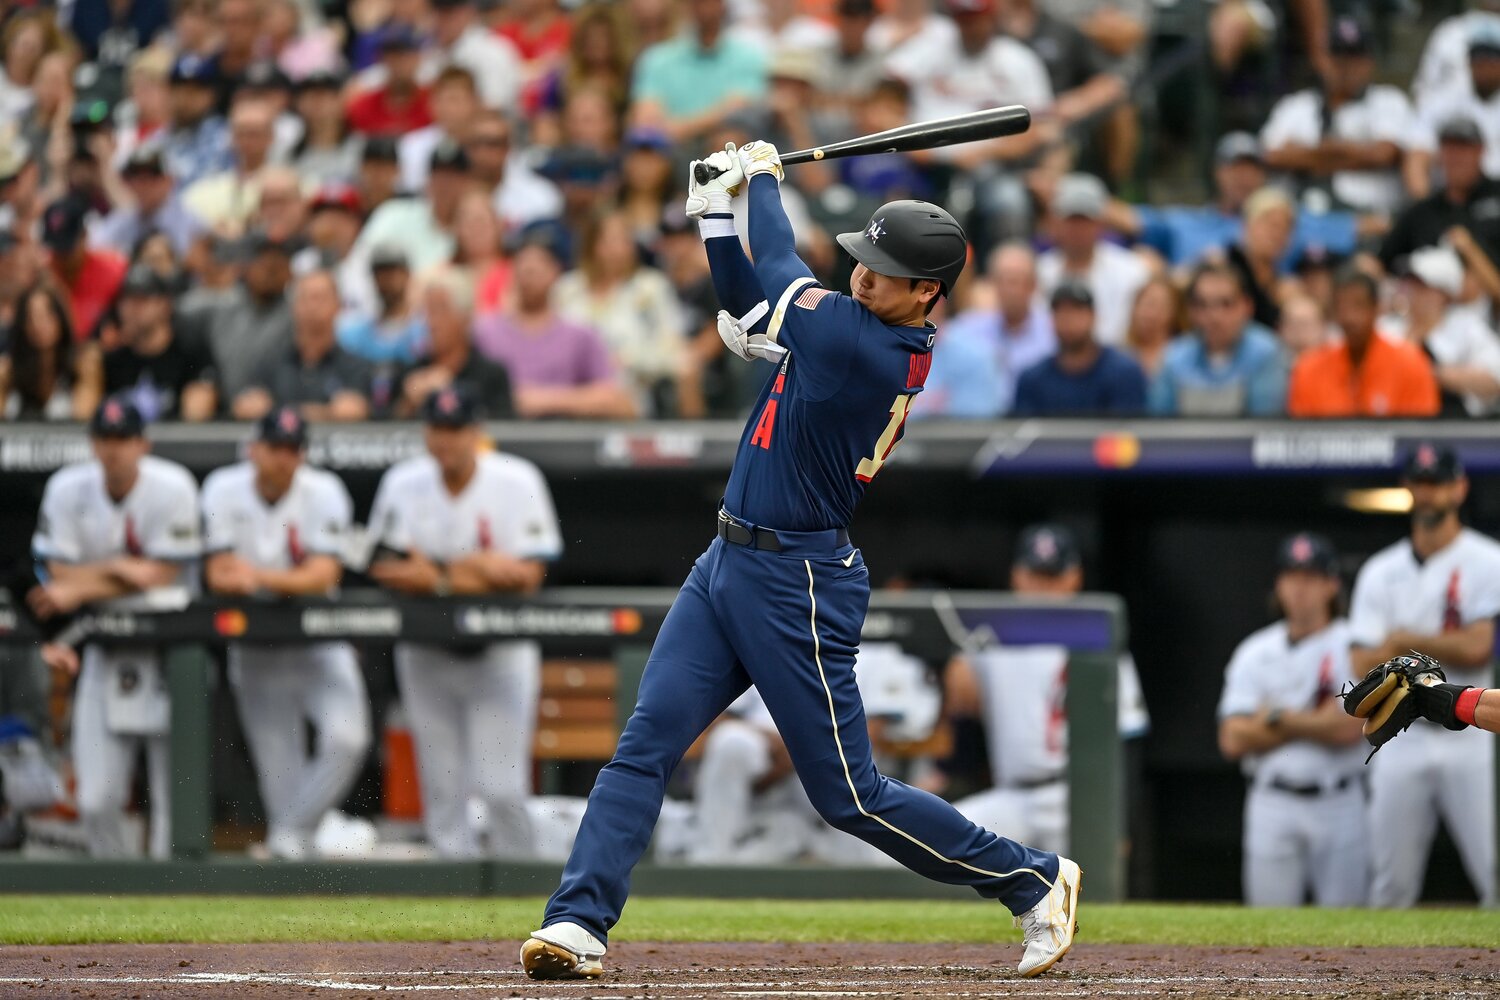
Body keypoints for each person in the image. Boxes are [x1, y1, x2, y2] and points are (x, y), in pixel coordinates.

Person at [521, 141, 1080, 982]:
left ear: (927, 292)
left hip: (798, 581)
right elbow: (752, 304)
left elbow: (778, 269)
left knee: (849, 796)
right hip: (728, 559)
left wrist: (763, 187)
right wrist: (718, 212)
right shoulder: (846, 328)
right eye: (862, 259)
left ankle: (1032, 878)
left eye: (884, 270)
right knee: (645, 744)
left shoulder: (870, 348)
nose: (863, 275)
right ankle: (577, 923)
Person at [367, 384, 563, 858]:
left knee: (502, 789)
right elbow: (383, 565)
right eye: (438, 429)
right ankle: (452, 910)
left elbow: (527, 574)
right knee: (442, 793)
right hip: (426, 653)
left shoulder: (517, 479)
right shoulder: (402, 481)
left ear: (476, 433)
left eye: (456, 430)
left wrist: (433, 571)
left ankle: (522, 888)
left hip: (499, 654)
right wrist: (475, 568)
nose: (447, 441)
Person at [27, 397, 200, 857]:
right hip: (105, 647)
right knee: (95, 798)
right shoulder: (68, 487)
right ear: (93, 444)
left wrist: (85, 588)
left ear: (143, 443)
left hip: (172, 652)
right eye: (105, 439)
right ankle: (113, 896)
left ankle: (179, 903)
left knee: (174, 804)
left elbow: (161, 574)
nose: (114, 450)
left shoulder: (173, 485)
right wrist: (122, 570)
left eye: (123, 439)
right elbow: (56, 575)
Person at [200, 407, 371, 860]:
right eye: (274, 448)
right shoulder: (223, 486)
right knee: (282, 783)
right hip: (258, 651)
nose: (282, 458)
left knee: (348, 739)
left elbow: (324, 573)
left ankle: (288, 836)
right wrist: (282, 578)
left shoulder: (324, 490)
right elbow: (218, 572)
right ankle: (297, 865)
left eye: (292, 450)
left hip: (319, 644)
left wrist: (257, 578)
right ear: (253, 449)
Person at [1348, 442, 1500, 907]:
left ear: (1460, 488)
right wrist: (1417, 649)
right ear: (1408, 487)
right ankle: (1384, 982)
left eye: (1438, 482)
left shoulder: (1487, 558)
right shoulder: (1380, 570)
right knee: (1391, 882)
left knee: (1492, 869)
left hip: (1472, 733)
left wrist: (1402, 644)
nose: (1429, 492)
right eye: (1421, 482)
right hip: (1405, 732)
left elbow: (1478, 645)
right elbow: (1360, 667)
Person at [945, 524, 1150, 856]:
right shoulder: (991, 636)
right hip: (1010, 795)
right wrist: (957, 668)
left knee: (1086, 896)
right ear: (1016, 576)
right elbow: (960, 700)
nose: (1042, 587)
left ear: (1074, 578)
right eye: (1035, 575)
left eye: (1052, 577)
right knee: (944, 845)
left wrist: (1121, 821)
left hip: (1073, 797)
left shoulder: (1097, 639)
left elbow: (1127, 740)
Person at [1217, 532, 1366, 907]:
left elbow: (1351, 728)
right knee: (1267, 930)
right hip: (1272, 799)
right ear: (1279, 585)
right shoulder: (1255, 650)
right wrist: (1315, 722)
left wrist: (1277, 719)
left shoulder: (1355, 645)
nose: (1299, 589)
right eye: (1291, 577)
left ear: (1332, 584)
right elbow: (1232, 739)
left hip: (1339, 798)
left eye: (1311, 578)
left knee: (1349, 933)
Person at [1259, 17, 1426, 215]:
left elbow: (1385, 154)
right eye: (1338, 57)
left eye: (1355, 58)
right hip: (1301, 216)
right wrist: (1356, 153)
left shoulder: (1388, 100)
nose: (1346, 67)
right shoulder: (1296, 105)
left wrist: (1310, 154)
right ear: (1323, 60)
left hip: (1368, 215)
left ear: (1369, 62)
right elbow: (1271, 155)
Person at [473, 231, 638, 419]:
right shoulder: (485, 331)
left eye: (537, 267)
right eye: (523, 266)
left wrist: (539, 400)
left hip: (566, 439)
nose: (529, 273)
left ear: (556, 272)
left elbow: (616, 400)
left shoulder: (581, 334)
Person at [553, 210, 692, 416]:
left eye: (625, 240)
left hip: (634, 391)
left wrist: (627, 360)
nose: (618, 249)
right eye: (608, 241)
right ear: (591, 245)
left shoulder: (651, 289)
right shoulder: (566, 290)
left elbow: (674, 351)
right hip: (571, 390)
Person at [1288, 269, 1440, 418]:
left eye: (1359, 305)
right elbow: (1301, 434)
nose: (1350, 317)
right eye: (1342, 307)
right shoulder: (1309, 369)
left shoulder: (1412, 365)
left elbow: (1419, 434)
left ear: (1376, 308)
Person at [930, 242, 1055, 418]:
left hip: (1034, 422)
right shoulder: (965, 328)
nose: (1009, 290)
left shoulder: (1053, 333)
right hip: (977, 425)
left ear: (1033, 285)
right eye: (1001, 281)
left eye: (1015, 282)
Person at [1148, 264, 1286, 417]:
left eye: (1226, 304)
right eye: (1203, 304)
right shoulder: (1174, 357)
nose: (1214, 316)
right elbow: (1160, 424)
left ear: (1247, 306)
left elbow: (1264, 424)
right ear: (1191, 311)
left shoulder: (1266, 352)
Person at [234, 269, 373, 421]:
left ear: (338, 305)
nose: (312, 307)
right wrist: (327, 412)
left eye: (319, 298)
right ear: (293, 306)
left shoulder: (354, 366)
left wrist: (276, 412)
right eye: (304, 298)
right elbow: (246, 405)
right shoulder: (271, 362)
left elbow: (353, 410)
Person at [1379, 116, 1500, 284]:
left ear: (1481, 151)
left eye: (1464, 149)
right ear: (1440, 154)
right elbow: (1381, 263)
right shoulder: (1422, 212)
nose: (1456, 158)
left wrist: (1470, 251)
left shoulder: (1496, 194)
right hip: (1430, 302)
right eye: (1450, 149)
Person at [628, 0, 768, 143]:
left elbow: (740, 108)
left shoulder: (748, 56)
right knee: (645, 153)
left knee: (729, 139)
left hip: (722, 144)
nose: (704, 8)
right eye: (696, 2)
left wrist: (678, 129)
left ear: (723, 6)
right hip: (672, 149)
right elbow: (645, 121)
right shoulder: (657, 58)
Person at [1036, 174, 1150, 348]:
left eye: (1085, 220)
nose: (1078, 229)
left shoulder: (1132, 271)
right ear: (1057, 222)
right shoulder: (1038, 272)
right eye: (1072, 219)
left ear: (1101, 223)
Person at [385, 268, 514, 419]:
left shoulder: (491, 375)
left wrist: (452, 391)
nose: (430, 323)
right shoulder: (411, 372)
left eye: (439, 311)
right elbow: (382, 427)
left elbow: (504, 431)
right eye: (425, 312)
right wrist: (408, 402)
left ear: (465, 318)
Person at [1012, 280, 1147, 416]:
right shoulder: (1031, 380)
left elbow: (1129, 432)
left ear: (1094, 317)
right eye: (1061, 312)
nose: (1068, 319)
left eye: (1077, 311)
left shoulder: (1124, 374)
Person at [102, 265, 217, 422]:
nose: (132, 308)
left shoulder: (190, 352)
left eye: (142, 299)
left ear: (165, 305)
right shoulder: (115, 359)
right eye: (126, 299)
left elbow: (197, 416)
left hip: (174, 443)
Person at [1399, 245, 1500, 417]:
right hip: (1395, 423)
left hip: (1455, 427)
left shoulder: (1467, 327)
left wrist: (1432, 373)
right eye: (1410, 284)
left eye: (1422, 286)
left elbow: (1494, 381)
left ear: (1443, 293)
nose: (1413, 292)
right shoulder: (1389, 327)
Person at [204, 231, 296, 404]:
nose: (270, 269)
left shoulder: (298, 314)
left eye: (278, 262)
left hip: (277, 411)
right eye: (262, 260)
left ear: (289, 270)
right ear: (244, 266)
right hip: (224, 414)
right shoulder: (222, 310)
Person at [1, 283, 102, 421]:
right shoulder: (8, 372)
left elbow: (83, 421)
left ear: (61, 317)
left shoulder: (81, 366)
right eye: (30, 317)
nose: (38, 324)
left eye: (47, 315)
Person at [43, 194, 128, 341]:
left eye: (67, 248)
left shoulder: (114, 270)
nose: (61, 255)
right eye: (56, 247)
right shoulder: (41, 275)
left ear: (84, 236)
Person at [90, 146, 201, 259]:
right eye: (133, 178)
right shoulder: (127, 217)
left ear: (169, 180)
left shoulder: (189, 222)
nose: (139, 186)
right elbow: (94, 247)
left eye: (148, 179)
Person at [1123, 277, 1182, 379]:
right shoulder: (1120, 354)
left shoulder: (1183, 356)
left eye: (1159, 306)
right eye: (1145, 304)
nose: (1149, 313)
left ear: (1174, 313)